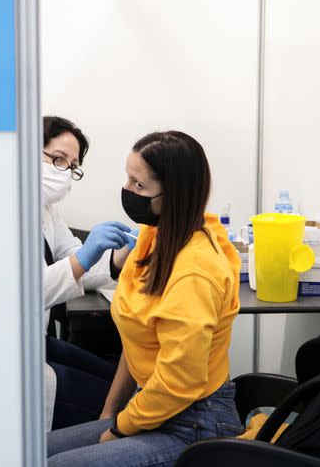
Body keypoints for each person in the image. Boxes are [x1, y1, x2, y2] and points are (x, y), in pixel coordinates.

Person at [47, 131, 244, 467]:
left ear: (173, 195)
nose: (128, 190)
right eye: (128, 178)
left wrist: (121, 428)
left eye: (138, 185)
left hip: (194, 422)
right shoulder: (155, 236)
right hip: (154, 407)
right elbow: (139, 337)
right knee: (25, 451)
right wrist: (110, 413)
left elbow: (180, 381)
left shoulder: (194, 269)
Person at [40, 116, 136, 431]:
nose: (64, 172)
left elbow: (75, 259)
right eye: (56, 159)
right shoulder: (0, 208)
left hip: (34, 342)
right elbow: (31, 293)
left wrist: (118, 259)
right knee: (111, 403)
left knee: (114, 381)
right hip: (6, 355)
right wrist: (84, 256)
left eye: (71, 166)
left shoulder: (45, 208)